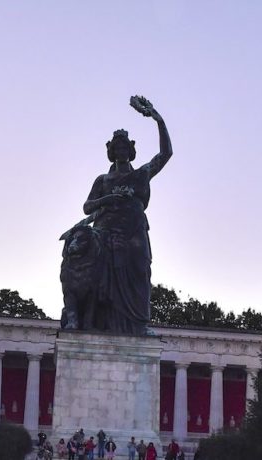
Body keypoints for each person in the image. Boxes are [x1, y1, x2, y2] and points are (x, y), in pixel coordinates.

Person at [69, 96, 172, 334]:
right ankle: (95, 321)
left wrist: (158, 120)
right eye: (117, 148)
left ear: (131, 151)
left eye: (125, 148)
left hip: (135, 231)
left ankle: (139, 324)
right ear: (112, 152)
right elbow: (87, 207)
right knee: (102, 276)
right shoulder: (103, 180)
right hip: (107, 231)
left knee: (141, 270)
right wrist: (110, 199)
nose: (122, 151)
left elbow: (165, 154)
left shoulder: (142, 174)